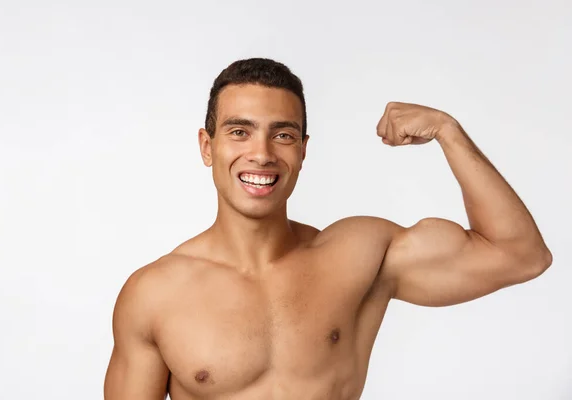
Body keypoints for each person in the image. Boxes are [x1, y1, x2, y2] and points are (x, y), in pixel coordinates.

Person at [103, 58, 552, 400]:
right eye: (240, 132)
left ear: (302, 149)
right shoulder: (155, 293)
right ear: (208, 146)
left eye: (283, 135)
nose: (261, 154)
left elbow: (521, 255)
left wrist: (447, 130)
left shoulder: (356, 256)